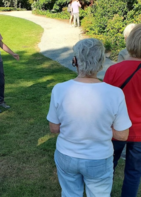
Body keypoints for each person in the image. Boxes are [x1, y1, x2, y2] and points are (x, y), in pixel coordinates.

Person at [47, 38, 131, 197]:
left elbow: (54, 128)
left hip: (67, 154)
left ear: (75, 61)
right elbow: (122, 134)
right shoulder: (115, 93)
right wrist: (99, 127)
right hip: (99, 157)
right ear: (101, 63)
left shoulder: (59, 89)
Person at [104, 24, 141, 197]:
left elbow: (105, 103)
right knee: (134, 173)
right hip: (139, 132)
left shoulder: (114, 70)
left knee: (108, 167)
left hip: (115, 129)